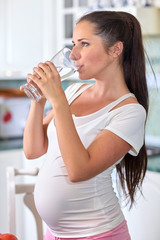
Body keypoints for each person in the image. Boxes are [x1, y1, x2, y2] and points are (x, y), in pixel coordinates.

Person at [21, 10, 148, 240]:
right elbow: (33, 150)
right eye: (73, 44)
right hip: (55, 235)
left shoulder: (130, 112)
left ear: (115, 50)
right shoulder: (73, 92)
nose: (73, 55)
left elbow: (79, 171)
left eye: (84, 44)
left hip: (99, 234)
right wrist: (38, 102)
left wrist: (58, 100)